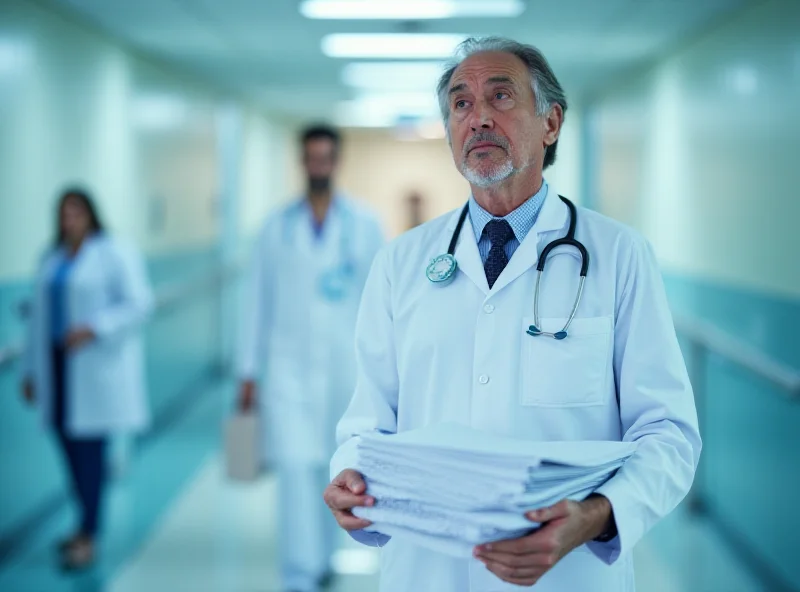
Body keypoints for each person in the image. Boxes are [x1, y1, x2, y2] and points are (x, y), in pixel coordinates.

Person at [324, 37, 701, 592]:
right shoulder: (401, 262)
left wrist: (598, 515)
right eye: (460, 104)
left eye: (501, 97)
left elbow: (668, 431)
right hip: (428, 571)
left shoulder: (619, 255)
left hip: (566, 573)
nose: (477, 119)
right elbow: (367, 424)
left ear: (551, 122)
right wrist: (347, 476)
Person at [237, 124, 384, 592]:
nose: (318, 165)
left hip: (348, 371)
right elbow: (254, 302)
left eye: (326, 157)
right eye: (311, 158)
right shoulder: (274, 228)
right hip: (287, 372)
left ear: (336, 161)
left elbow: (382, 304)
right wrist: (247, 371)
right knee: (296, 469)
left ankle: (323, 559)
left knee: (338, 467)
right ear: (302, 162)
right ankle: (298, 574)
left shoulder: (364, 224)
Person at [21, 187, 153, 570]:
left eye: (76, 212)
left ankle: (88, 534)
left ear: (91, 215)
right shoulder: (51, 258)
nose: (69, 220)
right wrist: (31, 371)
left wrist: (95, 327)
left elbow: (140, 303)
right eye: (63, 213)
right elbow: (37, 322)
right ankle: (83, 525)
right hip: (57, 372)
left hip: (94, 372)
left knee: (90, 457)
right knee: (69, 455)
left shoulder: (113, 252)